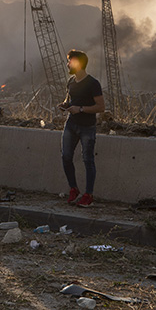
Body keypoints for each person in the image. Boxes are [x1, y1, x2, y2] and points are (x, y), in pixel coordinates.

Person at [57, 49, 105, 207]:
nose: (67, 64)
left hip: (87, 127)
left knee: (88, 160)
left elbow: (100, 107)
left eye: (70, 61)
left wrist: (81, 109)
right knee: (65, 157)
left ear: (78, 63)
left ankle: (88, 195)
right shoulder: (71, 81)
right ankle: (73, 189)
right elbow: (69, 99)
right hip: (71, 124)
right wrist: (65, 105)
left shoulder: (93, 83)